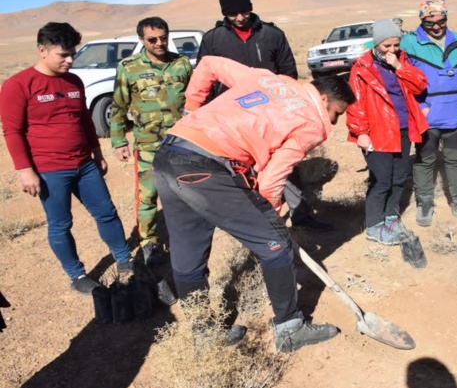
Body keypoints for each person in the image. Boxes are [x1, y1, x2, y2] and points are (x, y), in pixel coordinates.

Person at [152, 55, 356, 352]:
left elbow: (208, 64)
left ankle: (203, 334)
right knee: (277, 244)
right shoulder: (311, 122)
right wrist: (269, 217)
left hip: (168, 154)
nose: (334, 121)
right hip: (206, 168)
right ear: (323, 98)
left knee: (188, 252)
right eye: (337, 113)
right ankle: (290, 329)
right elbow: (272, 179)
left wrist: (192, 111)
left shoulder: (266, 79)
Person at [0, 22, 133, 294]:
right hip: (49, 170)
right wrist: (25, 170)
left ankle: (124, 259)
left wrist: (97, 153)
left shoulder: (74, 81)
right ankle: (77, 275)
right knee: (61, 224)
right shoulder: (18, 85)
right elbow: (12, 131)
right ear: (42, 51)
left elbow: (84, 120)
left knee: (106, 213)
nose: (70, 60)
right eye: (63, 55)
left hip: (85, 164)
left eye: (72, 54)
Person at [198, 0, 329, 231]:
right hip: (236, 121)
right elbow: (206, 77)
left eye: (244, 11)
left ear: (251, 7)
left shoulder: (272, 35)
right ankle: (257, 225)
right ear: (224, 13)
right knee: (242, 172)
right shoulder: (213, 39)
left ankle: (301, 215)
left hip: (275, 117)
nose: (239, 17)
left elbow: (288, 73)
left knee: (287, 167)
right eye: (232, 13)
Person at [110, 17, 192, 265]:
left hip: (181, 143)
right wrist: (119, 141)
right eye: (152, 39)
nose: (159, 43)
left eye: (163, 37)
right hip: (148, 145)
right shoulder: (128, 67)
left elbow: (195, 101)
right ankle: (149, 243)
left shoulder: (181, 63)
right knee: (147, 196)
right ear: (141, 40)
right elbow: (119, 106)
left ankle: (185, 236)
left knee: (184, 191)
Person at [400, 0, 457, 226]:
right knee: (425, 159)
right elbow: (402, 81)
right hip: (427, 115)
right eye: (430, 23)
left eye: (441, 21)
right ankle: (425, 204)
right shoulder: (408, 44)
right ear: (422, 20)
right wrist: (421, 107)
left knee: (456, 159)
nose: (436, 27)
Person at [347, 20, 429, 244]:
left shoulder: (403, 60)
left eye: (396, 45)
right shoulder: (362, 67)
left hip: (403, 127)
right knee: (381, 179)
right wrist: (361, 132)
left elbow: (420, 85)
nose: (392, 50)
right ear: (376, 44)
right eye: (386, 46)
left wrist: (400, 67)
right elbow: (355, 102)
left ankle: (391, 218)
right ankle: (375, 225)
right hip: (377, 131)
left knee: (399, 177)